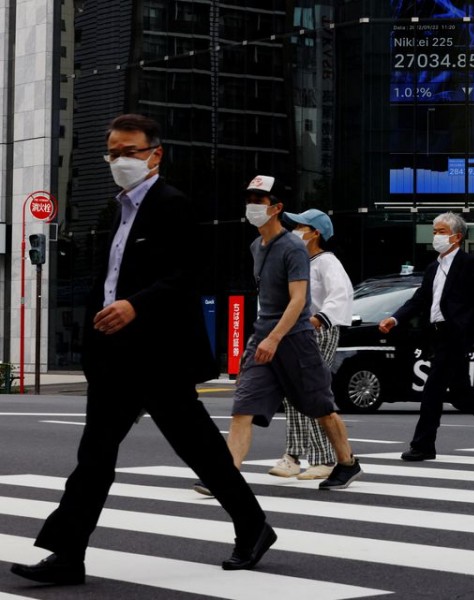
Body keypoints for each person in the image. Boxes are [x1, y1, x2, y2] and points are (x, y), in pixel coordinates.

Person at [10, 114, 276, 586]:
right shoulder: (114, 211)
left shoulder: (173, 205)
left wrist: (137, 306)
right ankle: (68, 554)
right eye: (112, 152)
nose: (119, 161)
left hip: (159, 355)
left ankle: (253, 526)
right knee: (94, 456)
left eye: (129, 151)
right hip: (116, 355)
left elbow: (189, 274)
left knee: (198, 449)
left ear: (156, 154)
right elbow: (107, 281)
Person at [195, 176, 361, 493]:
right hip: (263, 336)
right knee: (243, 408)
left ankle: (347, 463)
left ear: (276, 208)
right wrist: (262, 337)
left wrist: (275, 337)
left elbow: (299, 299)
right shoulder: (256, 246)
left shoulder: (294, 248)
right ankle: (224, 477)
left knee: (321, 407)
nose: (252, 206)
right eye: (249, 199)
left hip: (296, 339)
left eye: (259, 200)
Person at [378, 212, 474, 461]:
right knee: (460, 393)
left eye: (441, 232)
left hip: (455, 335)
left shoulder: (470, 263)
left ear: (456, 237)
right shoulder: (434, 267)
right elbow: (420, 299)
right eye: (434, 231)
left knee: (432, 388)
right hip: (437, 335)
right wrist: (396, 318)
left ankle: (423, 445)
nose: (436, 236)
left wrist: (467, 330)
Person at [268, 209, 353, 480]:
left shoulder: (327, 261)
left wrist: (318, 320)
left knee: (313, 392)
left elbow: (341, 294)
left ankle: (323, 459)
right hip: (295, 333)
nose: (294, 230)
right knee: (292, 394)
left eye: (300, 226)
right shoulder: (299, 260)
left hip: (318, 332)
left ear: (315, 232)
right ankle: (293, 455)